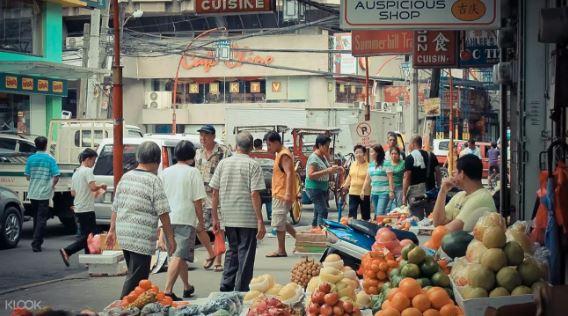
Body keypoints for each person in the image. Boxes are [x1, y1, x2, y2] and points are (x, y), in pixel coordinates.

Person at [106, 141, 176, 299]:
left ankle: (133, 308)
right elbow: (163, 212)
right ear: (155, 161)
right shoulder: (153, 180)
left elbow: (115, 206)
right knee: (138, 279)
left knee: (134, 275)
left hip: (124, 233)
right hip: (140, 237)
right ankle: (120, 309)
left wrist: (112, 230)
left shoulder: (126, 177)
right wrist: (170, 238)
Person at [209, 132, 266, 292]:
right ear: (251, 148)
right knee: (245, 256)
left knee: (232, 252)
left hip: (228, 217)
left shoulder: (223, 164)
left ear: (236, 146)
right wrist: (260, 220)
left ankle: (226, 287)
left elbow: (214, 192)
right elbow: (254, 193)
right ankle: (241, 290)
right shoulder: (253, 165)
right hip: (247, 219)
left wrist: (215, 217)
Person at [159, 140, 206, 301]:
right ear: (192, 156)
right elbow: (197, 200)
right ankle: (167, 291)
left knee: (178, 255)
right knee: (178, 255)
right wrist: (201, 221)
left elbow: (161, 198)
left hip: (167, 219)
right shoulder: (193, 172)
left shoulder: (165, 172)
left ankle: (187, 287)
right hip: (185, 218)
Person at [59, 149, 107, 266]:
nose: (93, 163)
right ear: (88, 159)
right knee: (90, 235)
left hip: (79, 207)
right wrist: (101, 185)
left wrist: (91, 193)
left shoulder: (76, 173)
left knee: (88, 234)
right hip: (87, 209)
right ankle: (68, 250)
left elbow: (73, 193)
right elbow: (92, 187)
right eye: (93, 161)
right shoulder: (87, 171)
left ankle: (88, 260)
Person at [195, 124, 232, 272]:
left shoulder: (223, 151)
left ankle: (218, 259)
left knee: (218, 229)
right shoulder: (198, 153)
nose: (203, 138)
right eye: (201, 135)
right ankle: (211, 253)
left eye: (206, 135)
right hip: (202, 195)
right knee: (199, 227)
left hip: (218, 195)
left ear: (213, 136)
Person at [432, 154, 497, 232]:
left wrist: (446, 224)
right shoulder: (460, 195)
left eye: (455, 172)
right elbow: (437, 222)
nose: (452, 174)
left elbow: (448, 230)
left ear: (462, 174)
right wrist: (442, 191)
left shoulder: (481, 198)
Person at [25, 136, 60, 252]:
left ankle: (37, 240)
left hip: (33, 193)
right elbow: (56, 176)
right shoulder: (50, 159)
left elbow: (27, 176)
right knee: (41, 219)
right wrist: (51, 186)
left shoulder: (30, 159)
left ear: (36, 146)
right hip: (44, 193)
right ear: (45, 146)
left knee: (36, 217)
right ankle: (36, 243)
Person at [265, 131, 297, 257]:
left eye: (269, 145)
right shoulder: (281, 153)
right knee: (282, 221)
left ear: (276, 142)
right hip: (280, 193)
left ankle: (281, 249)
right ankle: (300, 241)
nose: (268, 148)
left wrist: (288, 193)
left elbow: (289, 173)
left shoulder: (284, 155)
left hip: (282, 194)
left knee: (279, 223)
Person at [305, 134, 340, 230]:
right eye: (327, 146)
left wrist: (336, 169)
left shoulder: (323, 157)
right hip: (314, 188)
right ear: (320, 145)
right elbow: (311, 175)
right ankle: (320, 232)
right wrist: (328, 171)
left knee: (317, 211)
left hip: (322, 188)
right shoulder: (313, 158)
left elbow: (327, 169)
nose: (328, 149)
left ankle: (314, 230)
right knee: (323, 211)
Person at [402, 136, 430, 219]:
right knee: (430, 219)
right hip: (429, 190)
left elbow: (407, 177)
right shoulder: (430, 155)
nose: (409, 146)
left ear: (413, 144)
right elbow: (438, 172)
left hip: (415, 192)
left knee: (416, 217)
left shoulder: (410, 158)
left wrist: (404, 194)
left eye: (409, 144)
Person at [362, 145, 393, 219]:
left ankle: (381, 230)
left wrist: (391, 191)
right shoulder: (371, 165)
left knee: (380, 213)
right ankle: (382, 228)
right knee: (377, 213)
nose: (370, 154)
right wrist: (363, 190)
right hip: (374, 193)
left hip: (384, 192)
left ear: (378, 153)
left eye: (372, 152)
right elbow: (367, 179)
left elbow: (390, 178)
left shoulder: (387, 163)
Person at [341, 145, 370, 220]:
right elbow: (350, 176)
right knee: (352, 213)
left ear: (364, 154)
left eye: (360, 152)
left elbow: (368, 179)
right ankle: (352, 228)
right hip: (353, 192)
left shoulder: (369, 166)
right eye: (356, 152)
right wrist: (345, 185)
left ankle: (365, 229)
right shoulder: (353, 164)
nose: (358, 154)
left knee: (365, 214)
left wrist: (363, 190)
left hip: (364, 193)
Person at [385, 147, 405, 212]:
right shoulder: (387, 163)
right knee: (387, 207)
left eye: (395, 153)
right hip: (389, 188)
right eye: (392, 153)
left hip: (400, 187)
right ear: (390, 155)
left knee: (400, 207)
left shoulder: (403, 163)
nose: (394, 155)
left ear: (399, 154)